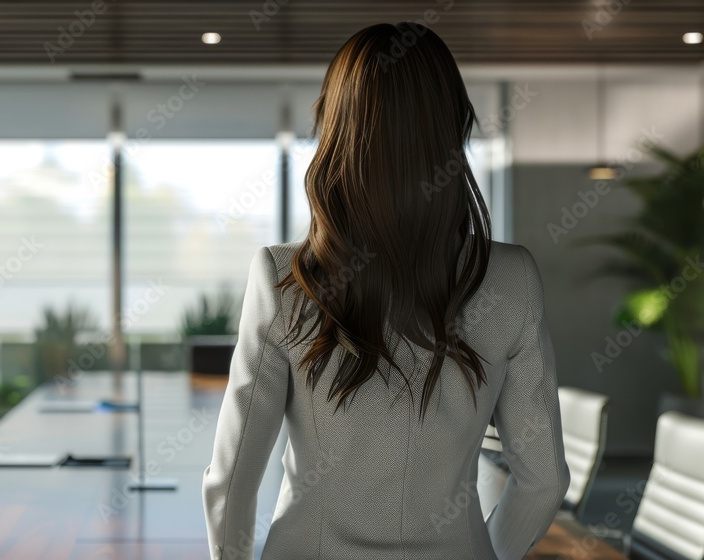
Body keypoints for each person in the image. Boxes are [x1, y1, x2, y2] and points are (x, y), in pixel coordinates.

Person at [202, 22, 569, 560]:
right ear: (452, 126)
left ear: (335, 129)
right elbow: (544, 481)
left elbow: (230, 483)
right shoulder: (510, 278)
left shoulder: (285, 279)